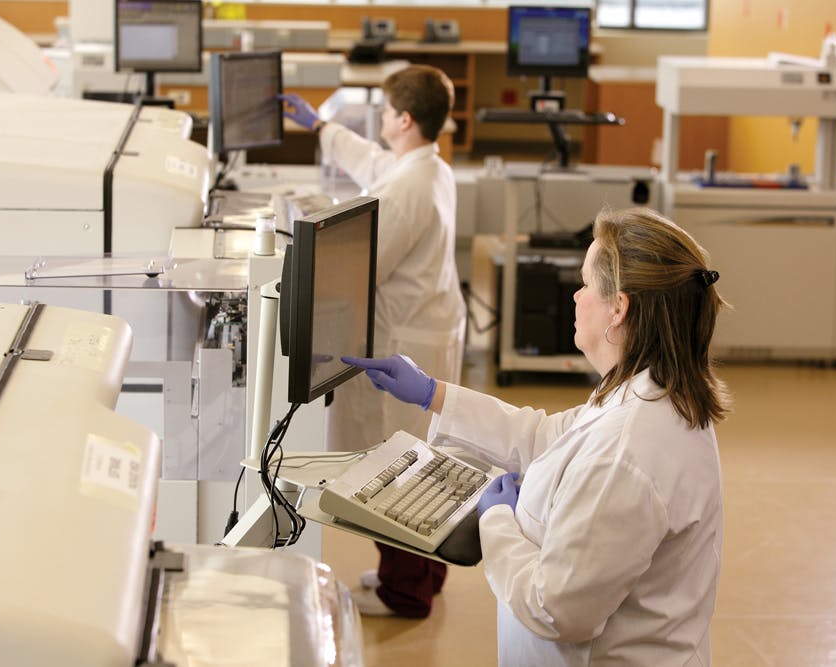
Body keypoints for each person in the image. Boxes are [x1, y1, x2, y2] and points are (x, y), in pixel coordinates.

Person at [345, 207, 730, 665]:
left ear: (618, 308)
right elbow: (549, 435)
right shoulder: (651, 393)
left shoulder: (626, 454)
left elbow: (556, 610)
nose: (575, 296)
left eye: (585, 284)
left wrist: (496, 521)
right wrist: (433, 393)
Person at [280, 66, 466, 619]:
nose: (381, 121)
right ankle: (424, 573)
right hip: (428, 326)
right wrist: (318, 127)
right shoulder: (428, 166)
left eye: (386, 113)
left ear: (404, 119)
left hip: (404, 339)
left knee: (393, 463)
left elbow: (362, 268)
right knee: (422, 460)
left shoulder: (410, 187)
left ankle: (403, 591)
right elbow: (374, 162)